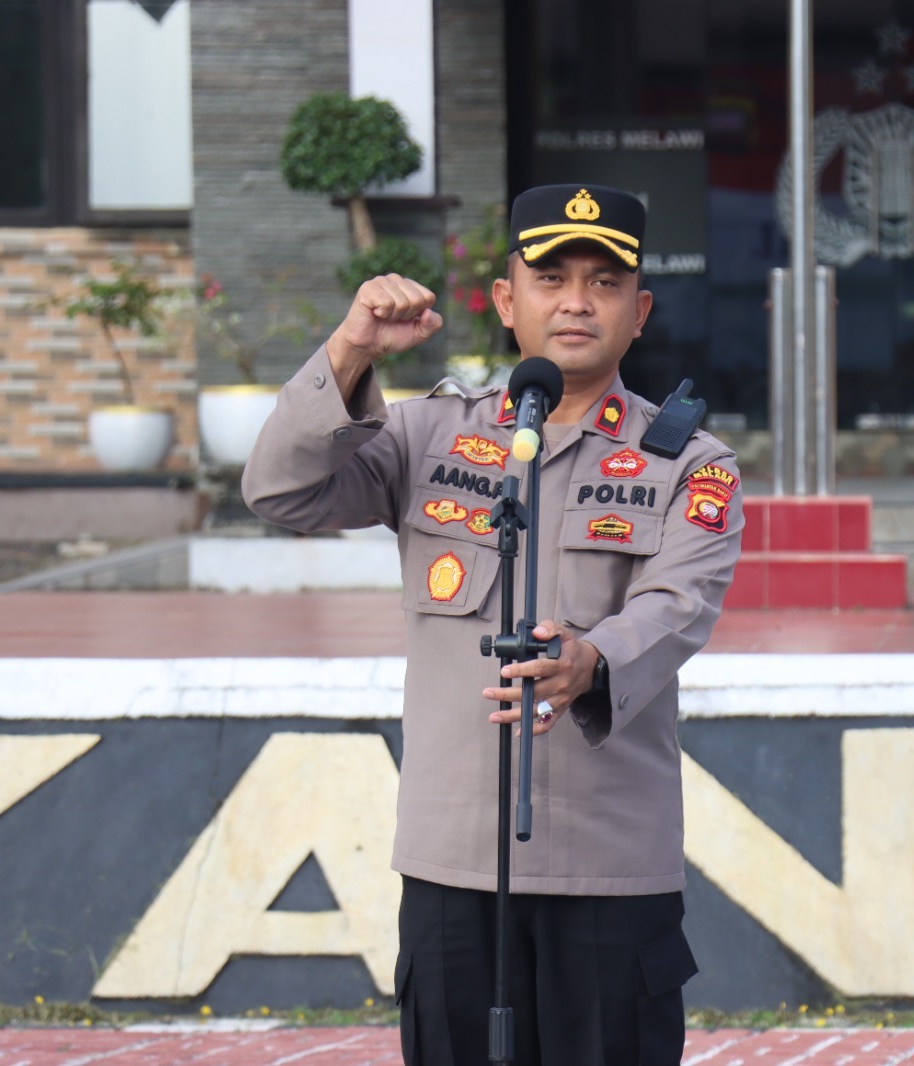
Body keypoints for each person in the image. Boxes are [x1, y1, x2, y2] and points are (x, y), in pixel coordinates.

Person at [242, 183, 743, 1065]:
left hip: (607, 864)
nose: (577, 301)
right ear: (507, 302)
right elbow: (280, 491)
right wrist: (351, 349)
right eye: (551, 279)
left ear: (639, 314)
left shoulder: (688, 464)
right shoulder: (428, 435)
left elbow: (679, 604)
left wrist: (593, 658)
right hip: (453, 861)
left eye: (605, 282)